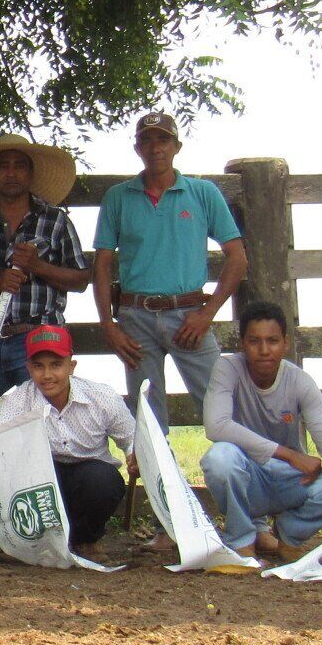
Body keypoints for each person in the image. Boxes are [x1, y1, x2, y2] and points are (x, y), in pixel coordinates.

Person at [92, 111, 248, 430]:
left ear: (177, 146)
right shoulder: (118, 197)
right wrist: (108, 325)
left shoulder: (203, 193)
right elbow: (102, 264)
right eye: (146, 141)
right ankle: (157, 466)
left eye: (163, 140)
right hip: (135, 317)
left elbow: (237, 257)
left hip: (189, 316)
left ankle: (235, 463)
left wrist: (208, 313)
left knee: (221, 408)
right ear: (137, 148)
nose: (155, 148)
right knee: (147, 418)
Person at [202, 302, 322, 559]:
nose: (264, 350)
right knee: (219, 458)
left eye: (273, 341)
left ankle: (289, 534)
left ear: (285, 343)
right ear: (242, 344)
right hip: (247, 472)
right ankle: (241, 539)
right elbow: (216, 425)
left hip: (288, 477)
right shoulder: (227, 369)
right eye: (254, 341)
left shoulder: (300, 381)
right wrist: (290, 454)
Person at [0, 133, 89, 405]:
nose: (11, 173)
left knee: (45, 416)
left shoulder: (55, 219)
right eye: (3, 166)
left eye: (19, 165)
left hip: (40, 336)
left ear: (31, 173)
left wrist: (38, 266)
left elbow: (81, 279)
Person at [0, 324, 138, 559]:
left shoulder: (103, 398)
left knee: (104, 481)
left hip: (88, 478)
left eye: (56, 365)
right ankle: (32, 540)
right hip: (40, 480)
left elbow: (132, 438)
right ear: (28, 368)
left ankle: (83, 540)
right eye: (39, 366)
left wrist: (134, 455)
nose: (47, 375)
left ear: (72, 365)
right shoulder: (16, 402)